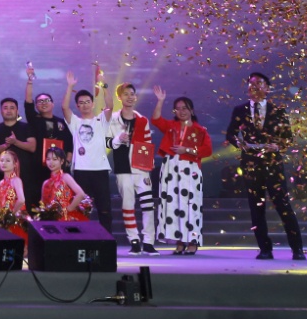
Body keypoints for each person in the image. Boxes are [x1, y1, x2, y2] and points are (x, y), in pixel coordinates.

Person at [226, 72, 305, 260]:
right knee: (256, 208)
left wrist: (277, 145)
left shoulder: (277, 110)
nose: (254, 86)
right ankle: (265, 249)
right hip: (251, 163)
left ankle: (297, 249)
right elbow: (230, 134)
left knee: (283, 205)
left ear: (267, 88)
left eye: (259, 83)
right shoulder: (240, 109)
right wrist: (240, 144)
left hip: (272, 163)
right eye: (251, 83)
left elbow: (287, 137)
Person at [153, 94, 213, 255]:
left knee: (191, 204)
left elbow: (207, 150)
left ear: (191, 110)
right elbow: (156, 119)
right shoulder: (171, 126)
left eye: (185, 108)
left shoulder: (200, 130)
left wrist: (187, 150)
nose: (181, 111)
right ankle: (179, 239)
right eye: (178, 109)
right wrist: (160, 101)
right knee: (174, 205)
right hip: (171, 169)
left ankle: (192, 240)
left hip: (190, 170)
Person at [62, 67, 114, 233]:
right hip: (81, 170)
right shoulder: (75, 122)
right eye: (81, 103)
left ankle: (106, 239)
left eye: (87, 102)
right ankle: (81, 239)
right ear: (77, 106)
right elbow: (64, 108)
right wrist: (70, 86)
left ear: (93, 104)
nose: (85, 105)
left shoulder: (101, 120)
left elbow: (110, 105)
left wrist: (104, 85)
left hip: (100, 170)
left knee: (104, 208)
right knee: (82, 208)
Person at [111, 83, 159, 255]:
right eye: (126, 94)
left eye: (132, 94)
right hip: (122, 168)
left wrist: (149, 162)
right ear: (119, 97)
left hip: (141, 167)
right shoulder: (112, 119)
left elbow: (147, 142)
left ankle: (149, 242)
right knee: (128, 205)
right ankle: (134, 241)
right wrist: (118, 139)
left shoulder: (142, 120)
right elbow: (107, 142)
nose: (130, 97)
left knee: (148, 205)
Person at [0, 97, 37, 209]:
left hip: (25, 175)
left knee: (25, 206)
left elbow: (32, 147)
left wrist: (15, 142)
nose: (8, 110)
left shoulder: (26, 127)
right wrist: (6, 145)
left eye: (12, 108)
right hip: (3, 175)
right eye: (5, 108)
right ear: (1, 111)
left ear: (17, 111)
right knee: (2, 206)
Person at [24, 64, 74, 158]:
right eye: (40, 101)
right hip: (38, 164)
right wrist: (30, 79)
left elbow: (69, 143)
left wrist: (67, 161)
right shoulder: (34, 119)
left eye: (47, 100)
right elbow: (28, 101)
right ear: (36, 106)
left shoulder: (62, 122)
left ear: (53, 104)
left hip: (59, 164)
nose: (43, 103)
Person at [39, 147, 90, 220]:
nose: (51, 162)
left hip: (66, 219)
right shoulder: (45, 183)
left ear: (62, 161)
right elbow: (42, 205)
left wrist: (68, 209)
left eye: (55, 159)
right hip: (51, 220)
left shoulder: (65, 177)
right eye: (48, 159)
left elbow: (81, 194)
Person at [0, 148, 28, 243]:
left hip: (14, 221)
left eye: (8, 161)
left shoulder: (16, 180)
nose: (4, 163)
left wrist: (11, 215)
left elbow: (21, 200)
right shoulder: (1, 183)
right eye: (1, 160)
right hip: (3, 221)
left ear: (15, 164)